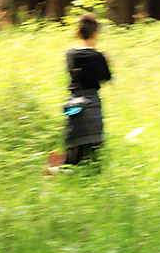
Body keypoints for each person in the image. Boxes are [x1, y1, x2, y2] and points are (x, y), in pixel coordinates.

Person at [46, 13, 112, 173]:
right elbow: (106, 77)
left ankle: (54, 165)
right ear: (96, 33)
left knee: (74, 156)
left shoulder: (70, 55)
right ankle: (54, 167)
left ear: (79, 33)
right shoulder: (98, 57)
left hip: (73, 106)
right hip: (92, 107)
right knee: (93, 161)